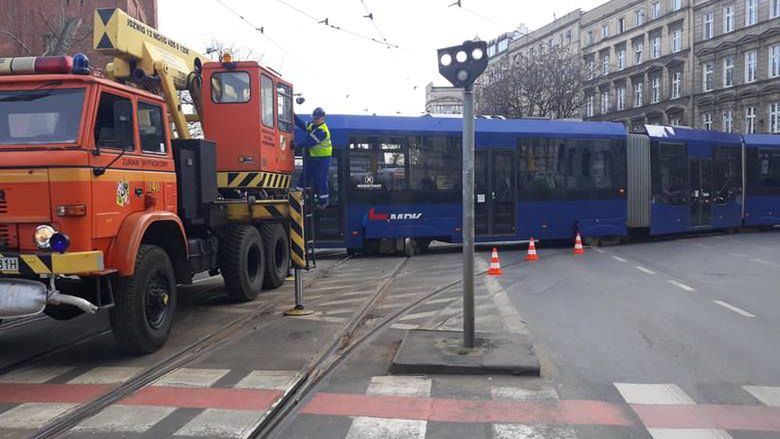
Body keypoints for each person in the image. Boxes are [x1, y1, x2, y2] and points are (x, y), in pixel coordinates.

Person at [294, 107, 332, 209]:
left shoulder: (322, 131)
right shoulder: (313, 125)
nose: (314, 120)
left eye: (316, 118)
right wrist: (293, 116)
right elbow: (302, 125)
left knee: (320, 179)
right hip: (314, 157)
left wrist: (297, 145)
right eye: (314, 118)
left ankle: (323, 201)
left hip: (323, 159)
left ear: (322, 118)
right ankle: (297, 195)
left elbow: (309, 142)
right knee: (305, 175)